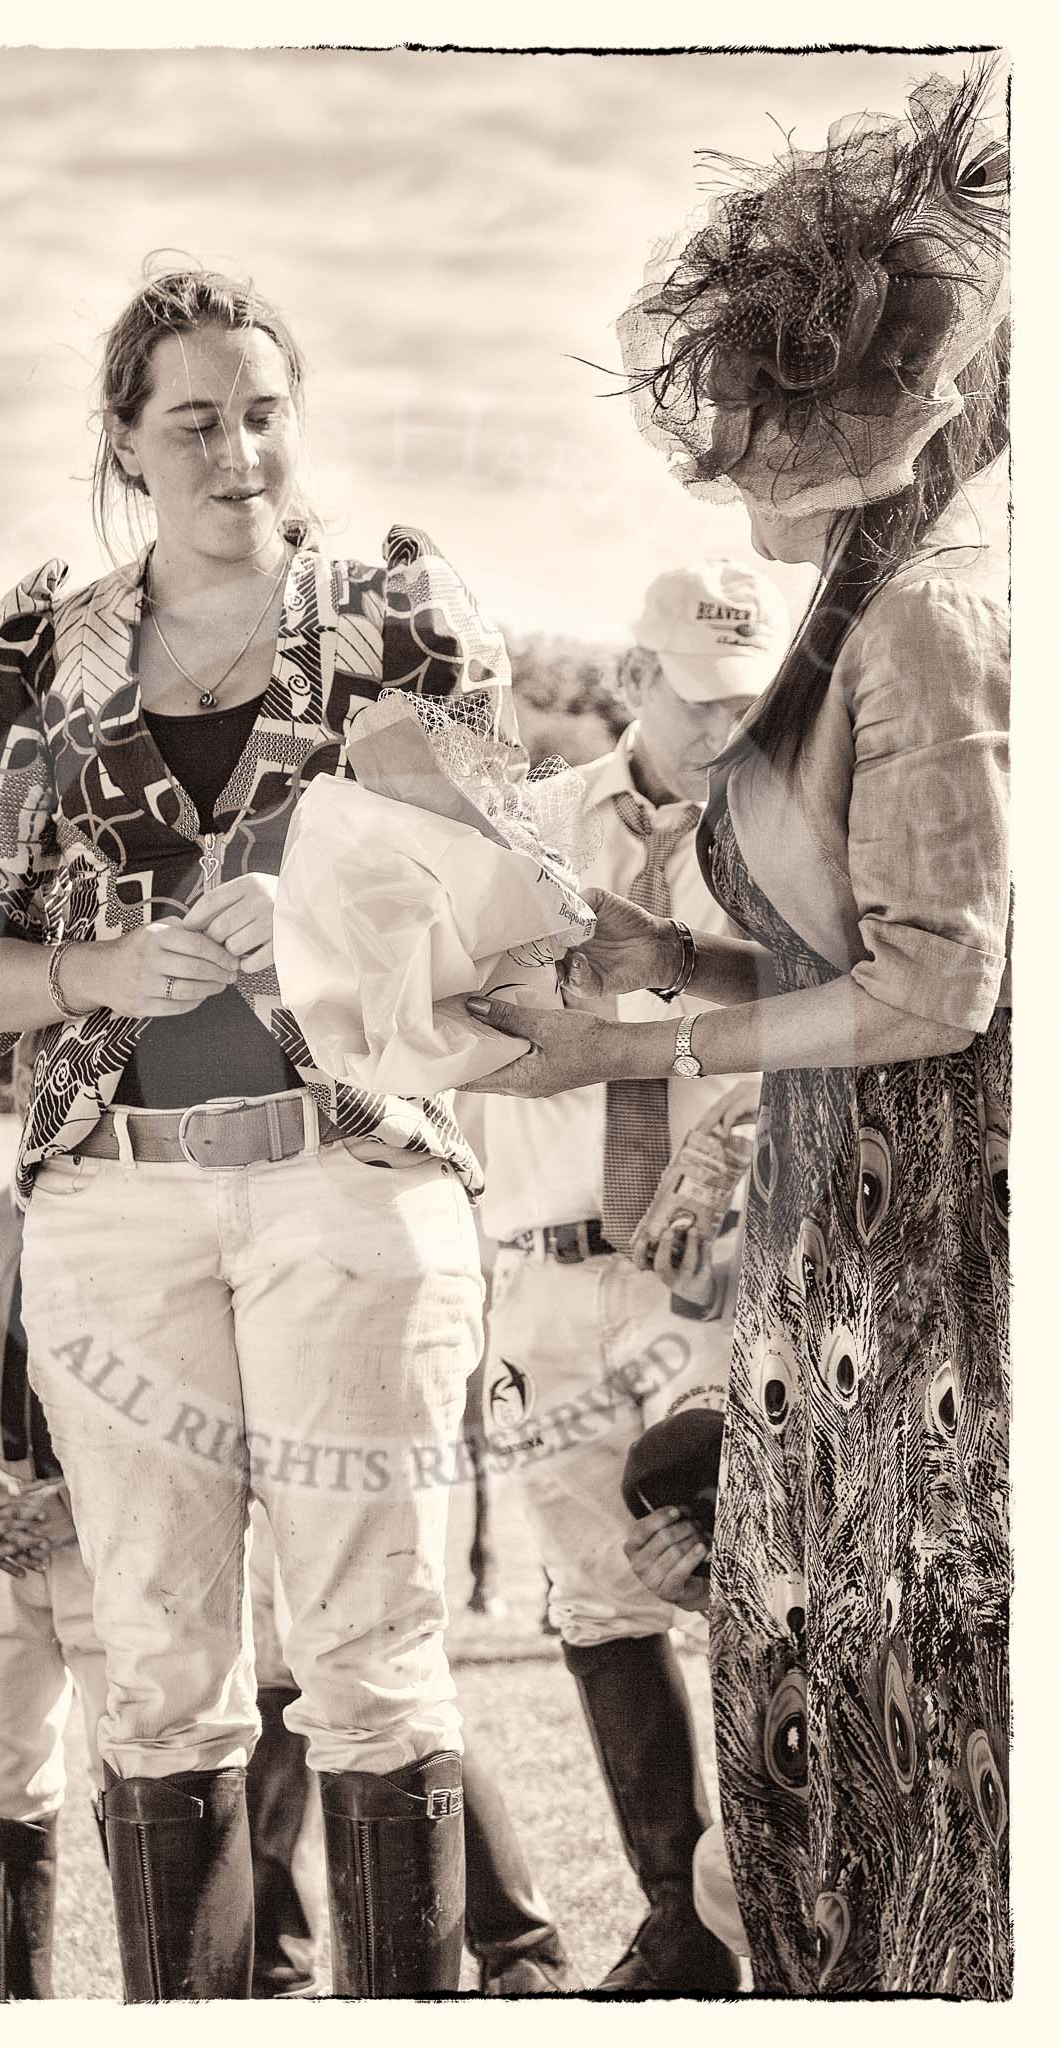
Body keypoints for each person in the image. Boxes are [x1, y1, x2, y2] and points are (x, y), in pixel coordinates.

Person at [0, 261, 574, 1999]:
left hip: (354, 1183)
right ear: (124, 442)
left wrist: (349, 902)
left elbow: (518, 895)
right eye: (193, 420)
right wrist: (100, 962)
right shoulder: (30, 652)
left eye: (265, 413)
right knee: (158, 1669)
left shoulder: (404, 622)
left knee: (370, 1657)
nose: (238, 451)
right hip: (115, 1218)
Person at [466, 69, 1011, 1995]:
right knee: (798, 1771)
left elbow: (946, 986)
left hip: (915, 1292)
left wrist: (637, 1055)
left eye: (778, 429)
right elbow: (822, 961)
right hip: (824, 1277)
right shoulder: (859, 619)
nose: (744, 471)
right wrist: (656, 964)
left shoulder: (932, 621)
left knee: (896, 1788)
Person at [467, 559, 784, 1992]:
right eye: (700, 696)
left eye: (750, 700)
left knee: (737, 1577)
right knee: (598, 1601)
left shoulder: (790, 844)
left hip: (709, 1281)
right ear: (635, 679)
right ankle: (680, 1923)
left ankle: (763, 1901)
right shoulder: (526, 829)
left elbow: (836, 1029)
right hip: (540, 1270)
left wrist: (729, 1188)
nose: (726, 725)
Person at [0, 1040, 325, 1999]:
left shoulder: (165, 1230)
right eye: (29, 1077)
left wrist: (85, 1499)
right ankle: (18, 2001)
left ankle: (167, 1988)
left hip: (126, 1540)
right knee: (9, 1776)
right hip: (1, 1550)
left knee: (141, 1766)